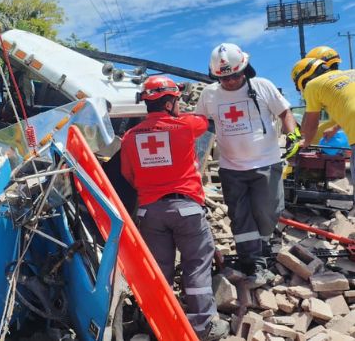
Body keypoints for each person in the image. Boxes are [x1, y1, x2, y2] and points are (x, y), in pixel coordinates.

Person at [120, 76, 229, 341]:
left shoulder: (130, 137)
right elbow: (203, 120)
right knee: (196, 267)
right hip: (187, 209)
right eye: (177, 101)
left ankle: (157, 325)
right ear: (169, 103)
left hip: (149, 211)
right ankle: (203, 326)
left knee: (158, 271)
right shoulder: (185, 126)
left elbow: (128, 175)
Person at [195, 43, 299, 287]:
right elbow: (200, 125)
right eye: (224, 78)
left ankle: (262, 247)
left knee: (268, 211)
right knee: (240, 218)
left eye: (234, 76)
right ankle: (253, 262)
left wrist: (292, 134)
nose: (230, 82)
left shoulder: (262, 86)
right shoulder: (209, 94)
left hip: (266, 162)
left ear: (245, 69)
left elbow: (285, 112)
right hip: (231, 168)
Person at [291, 57, 355, 180]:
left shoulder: (312, 85)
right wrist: (335, 128)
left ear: (303, 78)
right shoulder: (348, 74)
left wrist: (306, 142)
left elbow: (312, 123)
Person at [305, 46, 344, 140]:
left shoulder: (318, 85)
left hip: (346, 126)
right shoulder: (346, 77)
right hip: (342, 124)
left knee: (313, 139)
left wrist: (335, 128)